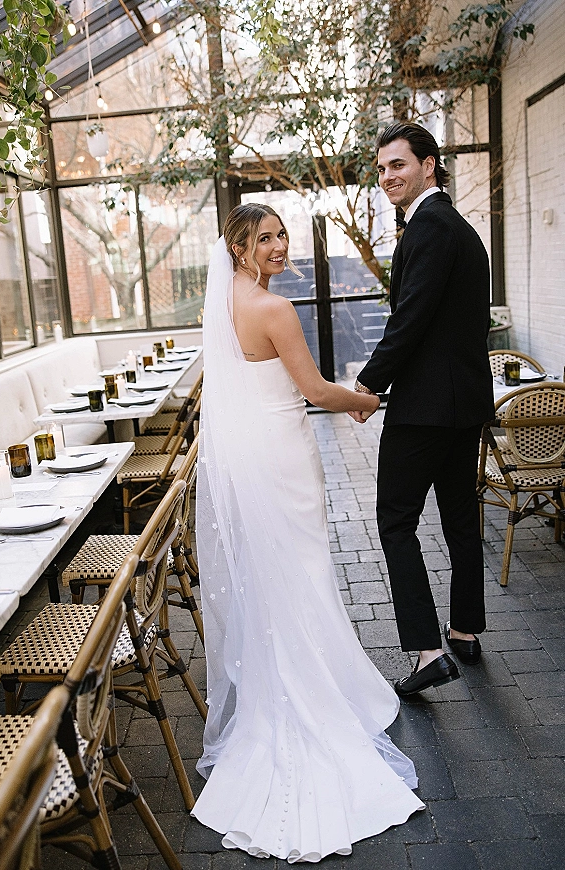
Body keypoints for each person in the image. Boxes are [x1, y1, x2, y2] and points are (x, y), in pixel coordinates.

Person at [192, 203, 424, 862]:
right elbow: (318, 391)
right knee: (303, 569)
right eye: (262, 238)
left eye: (280, 234)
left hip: (250, 453)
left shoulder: (224, 303)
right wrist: (366, 399)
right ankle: (314, 691)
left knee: (280, 576)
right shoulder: (275, 311)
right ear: (238, 248)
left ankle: (293, 674)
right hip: (284, 453)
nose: (277, 245)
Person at [352, 122, 495, 696]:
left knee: (395, 523)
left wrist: (367, 385)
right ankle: (464, 631)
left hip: (425, 408)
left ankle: (426, 651)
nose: (387, 177)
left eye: (398, 165)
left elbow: (409, 318)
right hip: (464, 406)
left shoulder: (430, 228)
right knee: (461, 520)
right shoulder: (457, 228)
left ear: (429, 165)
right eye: (382, 168)